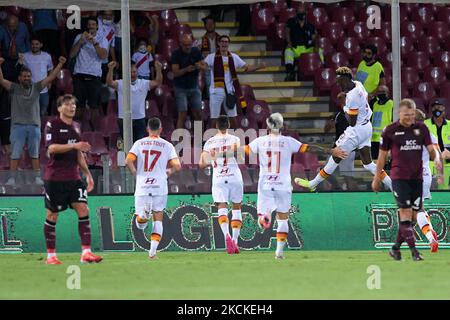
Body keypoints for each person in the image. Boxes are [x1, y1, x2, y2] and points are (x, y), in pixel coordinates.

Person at [245, 113, 346, 259]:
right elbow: (311, 148)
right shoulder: (288, 142)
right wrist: (331, 151)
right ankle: (279, 252)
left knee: (263, 215)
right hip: (283, 185)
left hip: (266, 184)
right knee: (283, 218)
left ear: (268, 126)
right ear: (282, 126)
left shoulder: (259, 141)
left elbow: (243, 150)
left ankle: (264, 217)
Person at [295, 67, 392, 192]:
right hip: (367, 127)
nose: (337, 83)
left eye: (339, 81)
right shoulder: (358, 84)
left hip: (356, 130)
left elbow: (352, 122)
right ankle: (393, 185)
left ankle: (312, 183)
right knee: (368, 164)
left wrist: (345, 107)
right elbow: (365, 99)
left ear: (345, 79)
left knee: (335, 157)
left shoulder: (351, 98)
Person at [372, 99, 441, 261]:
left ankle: (396, 248)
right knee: (408, 213)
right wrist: (377, 176)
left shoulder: (423, 130)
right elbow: (382, 156)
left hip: (418, 177)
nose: (410, 118)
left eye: (412, 115)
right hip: (403, 177)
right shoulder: (391, 131)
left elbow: (434, 151)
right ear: (400, 114)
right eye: (406, 115)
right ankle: (415, 250)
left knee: (412, 216)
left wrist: (435, 157)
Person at [43, 94, 103, 265]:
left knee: (83, 209)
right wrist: (74, 145)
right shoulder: (52, 125)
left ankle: (86, 253)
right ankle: (51, 256)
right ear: (59, 108)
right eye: (68, 104)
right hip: (55, 178)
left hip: (74, 178)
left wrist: (88, 175)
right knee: (53, 215)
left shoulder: (76, 127)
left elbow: (78, 154)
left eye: (74, 104)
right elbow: (52, 148)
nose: (72, 107)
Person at [0, 56, 66, 186]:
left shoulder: (36, 87)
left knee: (34, 154)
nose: (26, 78)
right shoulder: (14, 88)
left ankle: (37, 177)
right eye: (24, 76)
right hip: (17, 127)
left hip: (34, 127)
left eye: (28, 76)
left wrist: (59, 64)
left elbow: (51, 77)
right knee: (15, 154)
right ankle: (12, 178)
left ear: (31, 77)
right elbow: (1, 80)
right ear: (19, 78)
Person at [125, 117, 182, 260]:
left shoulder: (139, 143)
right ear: (161, 129)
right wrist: (170, 171)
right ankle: (152, 252)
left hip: (143, 184)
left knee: (140, 225)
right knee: (158, 218)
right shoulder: (167, 145)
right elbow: (177, 165)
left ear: (147, 129)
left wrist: (135, 172)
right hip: (159, 185)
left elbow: (128, 161)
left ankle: (143, 216)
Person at [199, 115, 243, 254]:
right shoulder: (235, 139)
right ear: (228, 125)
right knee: (237, 207)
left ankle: (227, 236)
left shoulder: (210, 142)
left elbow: (201, 164)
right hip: (234, 176)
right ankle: (235, 241)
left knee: (221, 207)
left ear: (216, 126)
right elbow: (239, 155)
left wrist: (214, 156)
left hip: (219, 177)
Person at [204, 35, 266, 129]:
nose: (224, 43)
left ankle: (236, 138)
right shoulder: (211, 57)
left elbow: (246, 68)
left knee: (233, 117)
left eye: (226, 42)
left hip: (229, 91)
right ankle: (211, 139)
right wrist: (198, 65)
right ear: (218, 43)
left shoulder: (234, 57)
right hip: (216, 91)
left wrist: (259, 66)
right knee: (214, 117)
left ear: (228, 44)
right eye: (222, 41)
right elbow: (203, 65)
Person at [106, 60, 162, 142]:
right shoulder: (121, 83)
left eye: (134, 72)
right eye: (130, 72)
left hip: (139, 119)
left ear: (137, 73)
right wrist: (110, 69)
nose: (133, 74)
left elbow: (157, 82)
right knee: (126, 143)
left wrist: (159, 69)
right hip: (124, 119)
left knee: (139, 144)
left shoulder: (144, 83)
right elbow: (109, 83)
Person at [69, 16, 108, 124]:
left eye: (93, 25)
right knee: (78, 107)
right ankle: (77, 132)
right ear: (87, 26)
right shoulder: (79, 37)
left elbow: (103, 56)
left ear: (97, 27)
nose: (91, 27)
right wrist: (80, 42)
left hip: (94, 76)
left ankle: (95, 134)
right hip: (79, 74)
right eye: (89, 25)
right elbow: (72, 54)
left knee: (94, 107)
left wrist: (94, 42)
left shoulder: (102, 39)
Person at [415, 108, 443, 252]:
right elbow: (437, 155)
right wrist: (440, 173)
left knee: (415, 210)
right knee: (420, 208)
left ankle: (430, 238)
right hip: (425, 175)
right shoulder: (430, 135)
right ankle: (431, 233)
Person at [171, 34, 207, 129]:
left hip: (194, 86)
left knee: (198, 114)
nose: (188, 47)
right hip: (180, 87)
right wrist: (186, 70)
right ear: (181, 44)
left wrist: (200, 66)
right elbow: (175, 72)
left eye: (189, 44)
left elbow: (204, 66)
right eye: (185, 45)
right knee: (182, 114)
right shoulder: (176, 54)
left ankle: (200, 139)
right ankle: (179, 140)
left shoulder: (196, 51)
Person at [324, 92, 357, 190]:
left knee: (348, 176)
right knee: (325, 172)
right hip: (336, 149)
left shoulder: (354, 114)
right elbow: (325, 130)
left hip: (349, 150)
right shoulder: (337, 115)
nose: (341, 100)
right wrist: (329, 124)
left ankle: (352, 196)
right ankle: (337, 187)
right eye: (339, 99)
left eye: (342, 98)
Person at [19, 36, 54, 117]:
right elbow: (21, 72)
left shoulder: (47, 56)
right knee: (30, 112)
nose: (34, 46)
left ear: (41, 45)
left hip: (43, 89)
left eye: (37, 44)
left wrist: (50, 82)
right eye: (32, 44)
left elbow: (50, 69)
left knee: (43, 112)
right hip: (29, 90)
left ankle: (42, 129)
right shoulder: (24, 56)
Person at [284, 5, 318, 81]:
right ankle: (290, 73)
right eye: (299, 12)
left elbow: (314, 38)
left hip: (307, 49)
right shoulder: (291, 22)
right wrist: (289, 43)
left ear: (306, 13)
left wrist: (316, 46)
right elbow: (287, 32)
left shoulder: (310, 25)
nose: (301, 14)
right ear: (296, 13)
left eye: (303, 12)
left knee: (320, 51)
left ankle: (320, 71)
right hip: (295, 48)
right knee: (288, 52)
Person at [424, 100, 450, 189]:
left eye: (439, 107)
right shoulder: (425, 124)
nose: (437, 110)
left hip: (447, 166)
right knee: (429, 192)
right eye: (434, 107)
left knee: (445, 195)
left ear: (444, 109)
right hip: (430, 165)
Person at [0, 14, 31, 81]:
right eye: (9, 26)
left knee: (21, 80)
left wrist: (28, 56)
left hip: (21, 58)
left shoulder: (23, 26)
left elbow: (27, 41)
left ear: (17, 24)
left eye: (13, 26)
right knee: (8, 80)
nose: (11, 29)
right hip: (7, 59)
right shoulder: (2, 27)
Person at [369, 85, 393, 159]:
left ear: (387, 93)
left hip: (385, 138)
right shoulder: (374, 104)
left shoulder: (391, 104)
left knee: (385, 162)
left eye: (383, 92)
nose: (380, 93)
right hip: (374, 139)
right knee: (375, 161)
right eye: (379, 92)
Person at [200, 17, 220, 99]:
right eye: (208, 24)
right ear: (205, 26)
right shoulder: (202, 39)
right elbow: (205, 55)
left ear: (215, 24)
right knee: (209, 85)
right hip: (208, 67)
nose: (210, 25)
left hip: (218, 66)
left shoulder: (220, 38)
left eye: (212, 23)